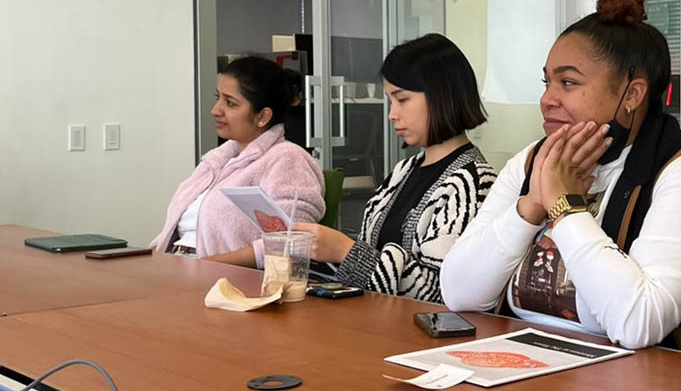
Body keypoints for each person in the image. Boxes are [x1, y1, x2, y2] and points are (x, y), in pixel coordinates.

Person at [441, 0, 681, 349]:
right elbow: (459, 294)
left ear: (632, 95)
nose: (546, 99)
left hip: (641, 390)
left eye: (568, 83)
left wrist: (563, 204)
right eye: (547, 82)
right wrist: (531, 206)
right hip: (527, 368)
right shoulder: (533, 160)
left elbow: (637, 324)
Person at [292, 34, 495, 302]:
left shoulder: (473, 182)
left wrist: (345, 251)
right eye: (390, 100)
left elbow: (441, 292)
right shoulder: (404, 170)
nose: (392, 114)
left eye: (402, 99)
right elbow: (368, 256)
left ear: (441, 95)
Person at [153, 56, 325, 263]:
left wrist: (209, 265)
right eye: (218, 98)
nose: (215, 110)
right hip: (177, 265)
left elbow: (293, 241)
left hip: (222, 278)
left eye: (231, 103)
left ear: (263, 116)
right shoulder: (217, 161)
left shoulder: (287, 160)